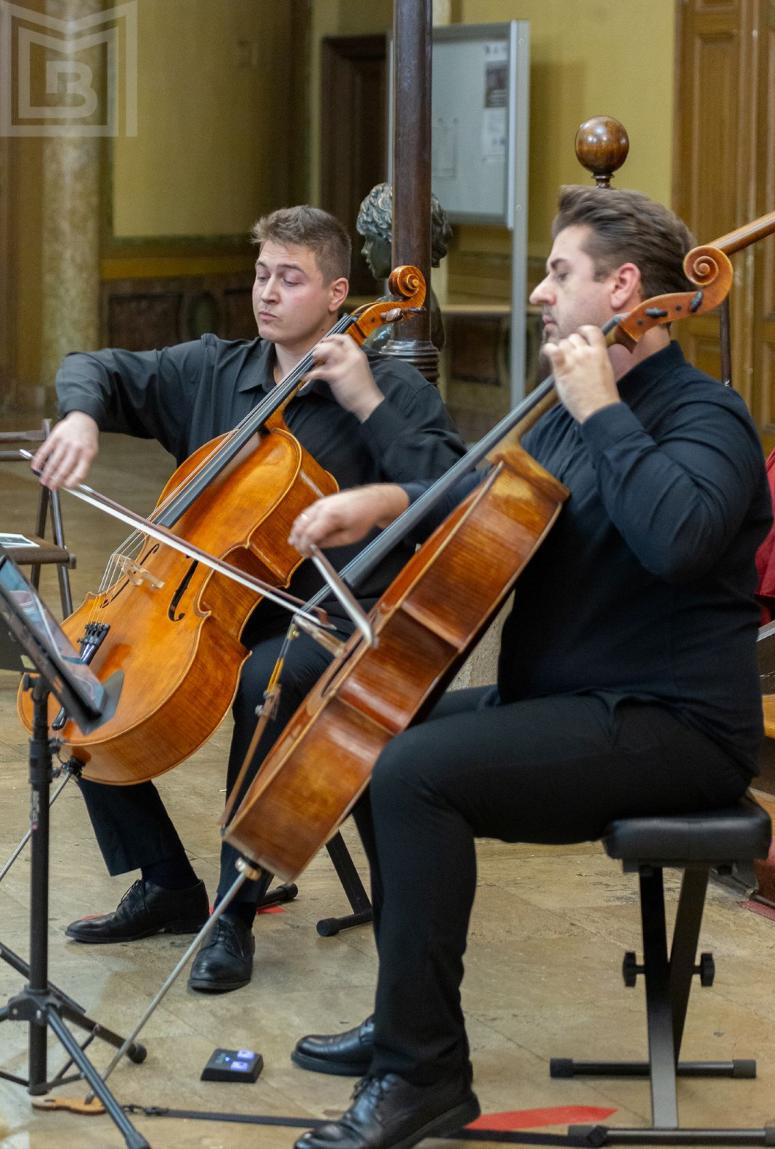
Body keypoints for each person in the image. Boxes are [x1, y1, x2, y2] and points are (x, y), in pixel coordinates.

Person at [281, 185, 773, 1149]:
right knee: (382, 735)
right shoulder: (561, 416)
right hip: (571, 701)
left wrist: (603, 410)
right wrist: (386, 501)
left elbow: (678, 539)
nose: (541, 293)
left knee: (416, 772)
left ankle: (421, 1076)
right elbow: (484, 501)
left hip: (674, 725)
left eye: (558, 272)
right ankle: (409, 1014)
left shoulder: (709, 417)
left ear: (622, 288)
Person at [32, 205, 464, 994]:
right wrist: (83, 418)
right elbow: (94, 365)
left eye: (290, 279)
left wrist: (366, 400)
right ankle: (167, 881)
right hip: (205, 600)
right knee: (72, 677)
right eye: (262, 274)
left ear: (337, 293)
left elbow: (450, 487)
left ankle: (233, 910)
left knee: (270, 678)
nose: (267, 292)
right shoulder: (214, 368)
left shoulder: (390, 387)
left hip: (332, 615)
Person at [356, 182, 452, 351]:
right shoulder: (392, 306)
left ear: (394, 241)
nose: (364, 250)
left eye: (370, 240)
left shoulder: (408, 322)